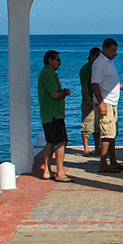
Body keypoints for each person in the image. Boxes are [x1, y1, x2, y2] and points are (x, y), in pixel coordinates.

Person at [91, 38, 123, 173]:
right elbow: (95, 83)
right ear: (105, 49)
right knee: (106, 134)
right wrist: (101, 103)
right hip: (105, 103)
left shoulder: (109, 62)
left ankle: (113, 161)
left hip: (113, 103)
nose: (115, 53)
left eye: (116, 50)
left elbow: (107, 83)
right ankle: (103, 163)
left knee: (112, 133)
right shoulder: (99, 63)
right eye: (113, 50)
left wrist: (119, 87)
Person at [38, 50, 72, 182]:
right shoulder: (47, 74)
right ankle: (60, 172)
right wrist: (65, 92)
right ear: (49, 60)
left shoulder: (48, 73)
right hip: (53, 115)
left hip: (48, 114)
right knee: (61, 142)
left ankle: (47, 170)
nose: (60, 62)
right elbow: (54, 94)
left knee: (50, 142)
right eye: (57, 59)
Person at [79, 47, 102, 156]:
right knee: (87, 124)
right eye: (96, 55)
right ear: (91, 55)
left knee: (97, 125)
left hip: (97, 100)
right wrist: (88, 100)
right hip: (89, 100)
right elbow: (84, 86)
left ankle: (97, 147)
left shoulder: (97, 68)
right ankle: (86, 148)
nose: (98, 57)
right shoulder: (86, 68)